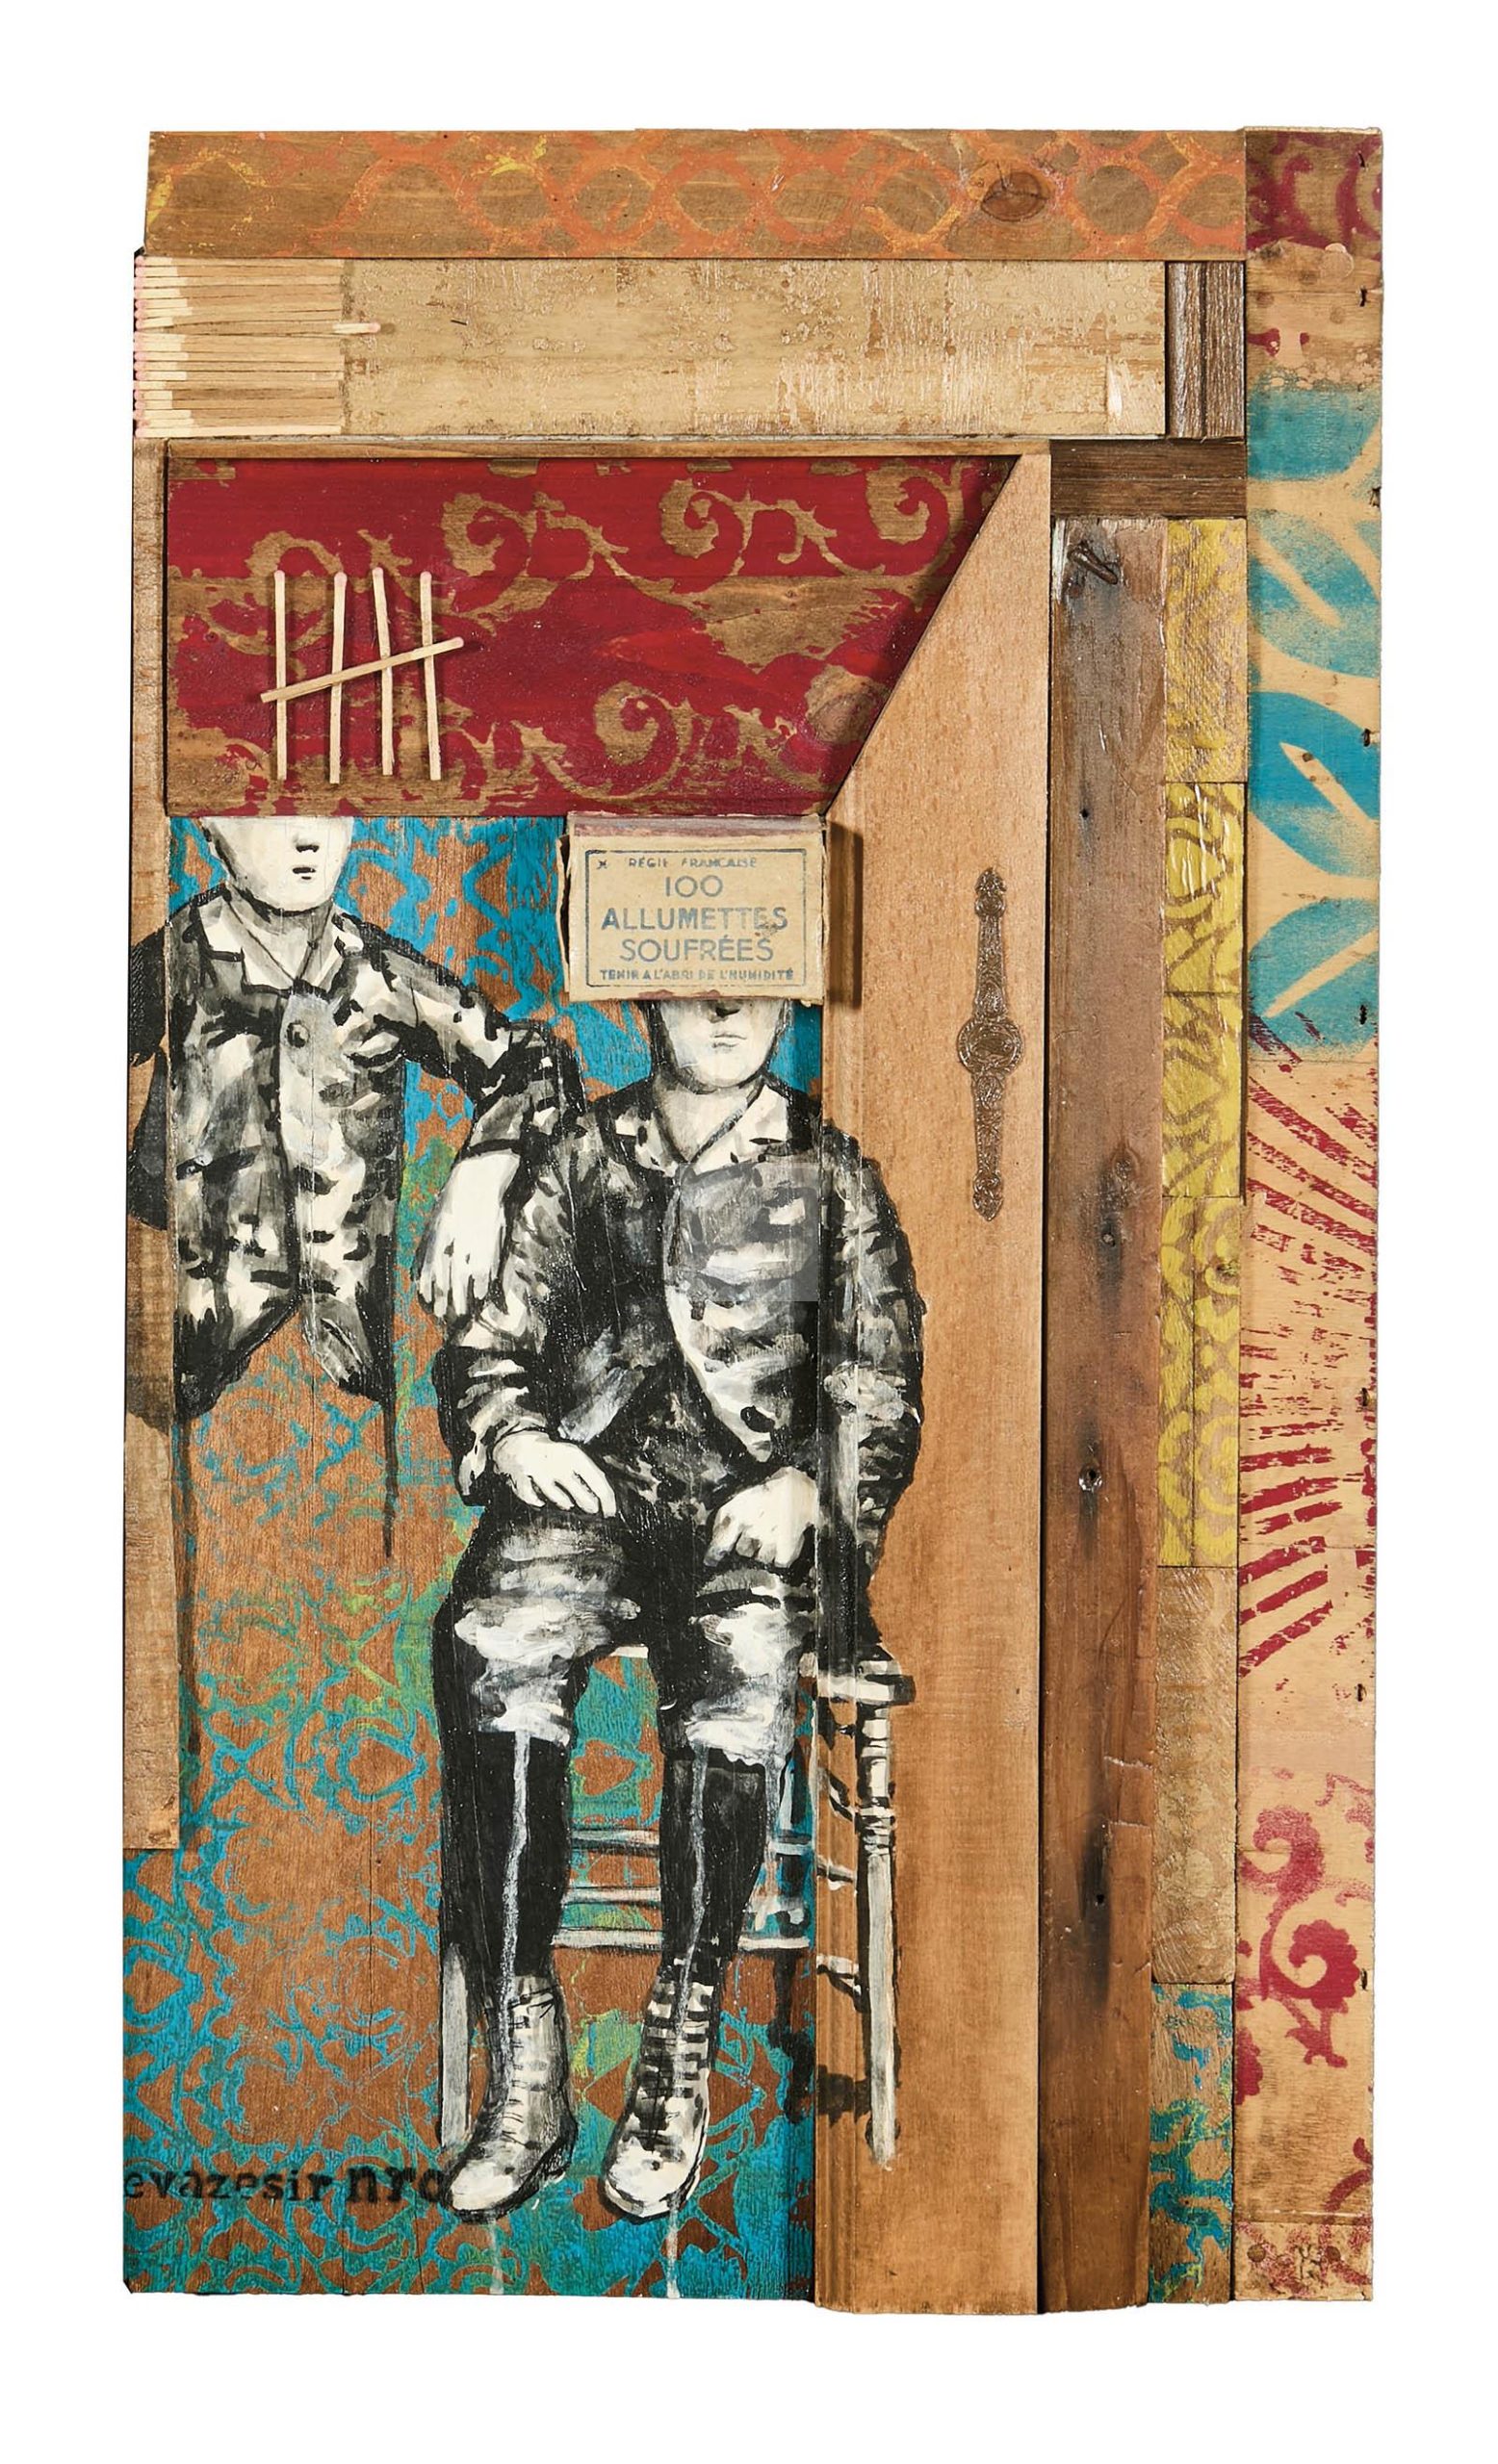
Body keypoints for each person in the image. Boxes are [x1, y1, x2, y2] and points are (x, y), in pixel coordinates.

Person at [432, 996, 923, 2221]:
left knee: (742, 1672)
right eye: (692, 982)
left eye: (745, 985)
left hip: (742, 1518)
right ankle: (524, 2050)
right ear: (644, 996)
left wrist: (807, 1487)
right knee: (490, 1639)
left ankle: (677, 2039)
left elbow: (876, 1373)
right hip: (591, 1504)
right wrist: (515, 1435)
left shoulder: (827, 1170)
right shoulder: (581, 1155)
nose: (719, 1010)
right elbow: (491, 1339)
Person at [127, 816, 580, 1434]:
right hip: (194, 1384)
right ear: (210, 824)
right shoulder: (170, 961)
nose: (307, 837)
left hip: (354, 1386)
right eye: (271, 811)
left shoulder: (376, 974)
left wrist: (484, 1173)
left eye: (329, 811)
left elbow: (533, 1064)